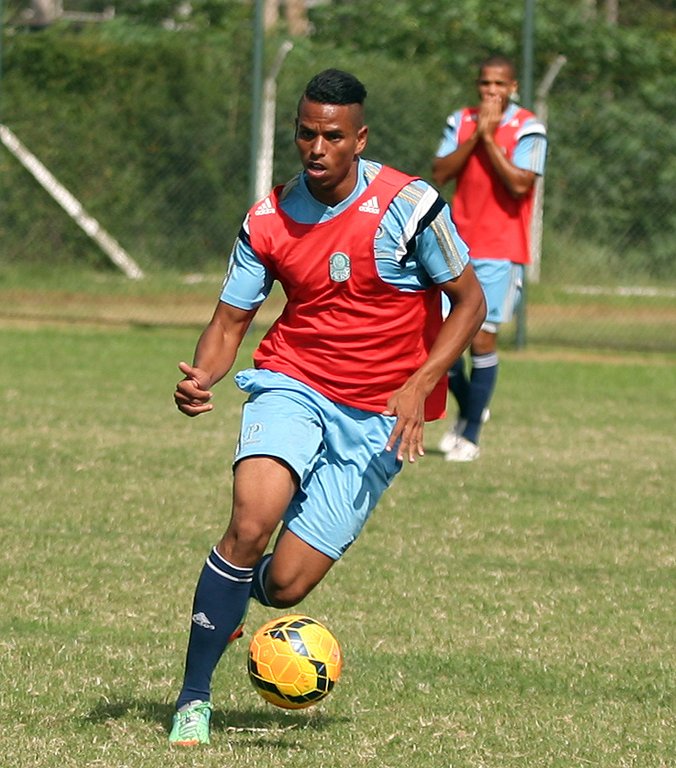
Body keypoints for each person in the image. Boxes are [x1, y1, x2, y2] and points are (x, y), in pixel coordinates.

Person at [169, 68, 486, 747]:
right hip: (294, 382)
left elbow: (470, 301)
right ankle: (193, 700)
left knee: (283, 586)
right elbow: (229, 323)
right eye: (307, 134)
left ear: (359, 138)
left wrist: (422, 379)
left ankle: (228, 596)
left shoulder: (411, 205)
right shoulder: (268, 218)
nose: (317, 148)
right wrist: (204, 376)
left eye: (333, 137)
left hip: (379, 418)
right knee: (251, 522)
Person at [432, 54, 547, 462]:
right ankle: (471, 410)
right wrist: (476, 136)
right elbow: (441, 171)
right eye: (485, 84)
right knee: (437, 340)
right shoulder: (460, 121)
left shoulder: (529, 127)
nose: (491, 92)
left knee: (481, 339)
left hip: (501, 249)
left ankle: (472, 434)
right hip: (456, 247)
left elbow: (519, 184)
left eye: (499, 85)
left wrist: (490, 139)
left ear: (512, 87)